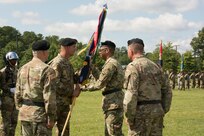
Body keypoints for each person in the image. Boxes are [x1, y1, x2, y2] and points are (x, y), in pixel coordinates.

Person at [123, 38, 172, 136]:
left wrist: (129, 116)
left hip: (140, 113)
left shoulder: (133, 66)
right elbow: (167, 91)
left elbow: (131, 94)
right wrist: (162, 109)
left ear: (131, 51)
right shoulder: (156, 66)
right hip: (157, 112)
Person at [82, 40, 124, 136]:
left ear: (107, 50)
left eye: (101, 50)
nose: (99, 52)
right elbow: (101, 78)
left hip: (114, 103)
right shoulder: (112, 63)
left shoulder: (110, 64)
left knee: (114, 133)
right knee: (110, 132)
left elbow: (100, 84)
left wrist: (83, 87)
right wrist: (91, 66)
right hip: (112, 102)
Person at [15, 40, 57, 136]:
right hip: (40, 115)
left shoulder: (22, 68)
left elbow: (17, 92)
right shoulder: (48, 70)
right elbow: (49, 96)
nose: (48, 54)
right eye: (47, 51)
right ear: (43, 52)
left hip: (24, 114)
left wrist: (21, 108)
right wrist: (51, 117)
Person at [48, 37, 81, 136]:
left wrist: (83, 72)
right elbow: (55, 83)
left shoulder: (67, 62)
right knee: (49, 129)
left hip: (65, 103)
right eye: (73, 47)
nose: (75, 49)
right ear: (66, 47)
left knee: (64, 131)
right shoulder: (57, 63)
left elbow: (70, 79)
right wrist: (72, 92)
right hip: (56, 103)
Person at [0, 51, 19, 136]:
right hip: (6, 100)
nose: (14, 62)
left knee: (14, 122)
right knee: (6, 123)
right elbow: (2, 85)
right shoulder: (3, 72)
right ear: (8, 60)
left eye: (15, 60)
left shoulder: (17, 70)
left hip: (15, 100)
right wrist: (10, 89)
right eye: (12, 60)